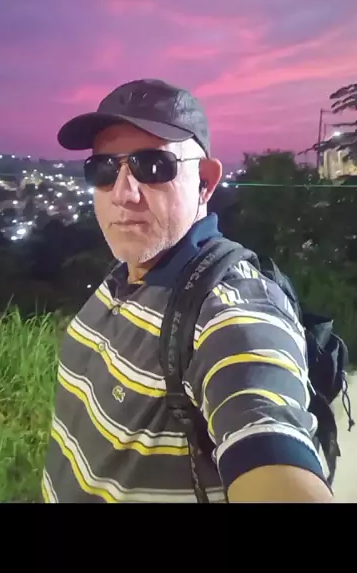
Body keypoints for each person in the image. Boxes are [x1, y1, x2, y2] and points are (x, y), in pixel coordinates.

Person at [42, 78, 333, 503]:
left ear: (205, 181)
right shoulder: (127, 271)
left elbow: (266, 435)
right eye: (104, 169)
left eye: (153, 166)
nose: (123, 193)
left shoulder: (227, 311)